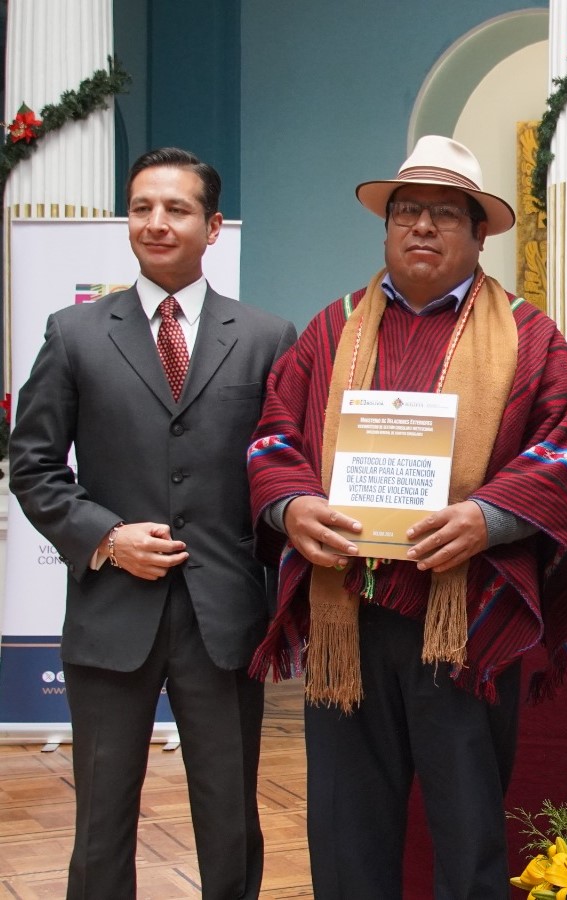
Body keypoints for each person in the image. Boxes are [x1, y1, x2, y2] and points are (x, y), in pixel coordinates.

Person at [246, 135, 567, 899]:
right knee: (347, 832)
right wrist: (291, 506)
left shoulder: (529, 337)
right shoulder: (328, 331)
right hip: (347, 613)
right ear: (384, 227)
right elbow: (274, 435)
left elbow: (566, 451)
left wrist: (491, 517)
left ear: (481, 235)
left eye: (446, 214)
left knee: (470, 829)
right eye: (406, 211)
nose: (421, 227)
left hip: (468, 622)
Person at [8, 147, 297, 900]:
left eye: (175, 209)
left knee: (230, 820)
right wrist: (106, 536)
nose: (156, 223)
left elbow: (286, 467)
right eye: (141, 208)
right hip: (111, 614)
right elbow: (32, 465)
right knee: (101, 823)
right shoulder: (73, 334)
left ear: (213, 227)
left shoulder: (267, 338)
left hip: (225, 615)